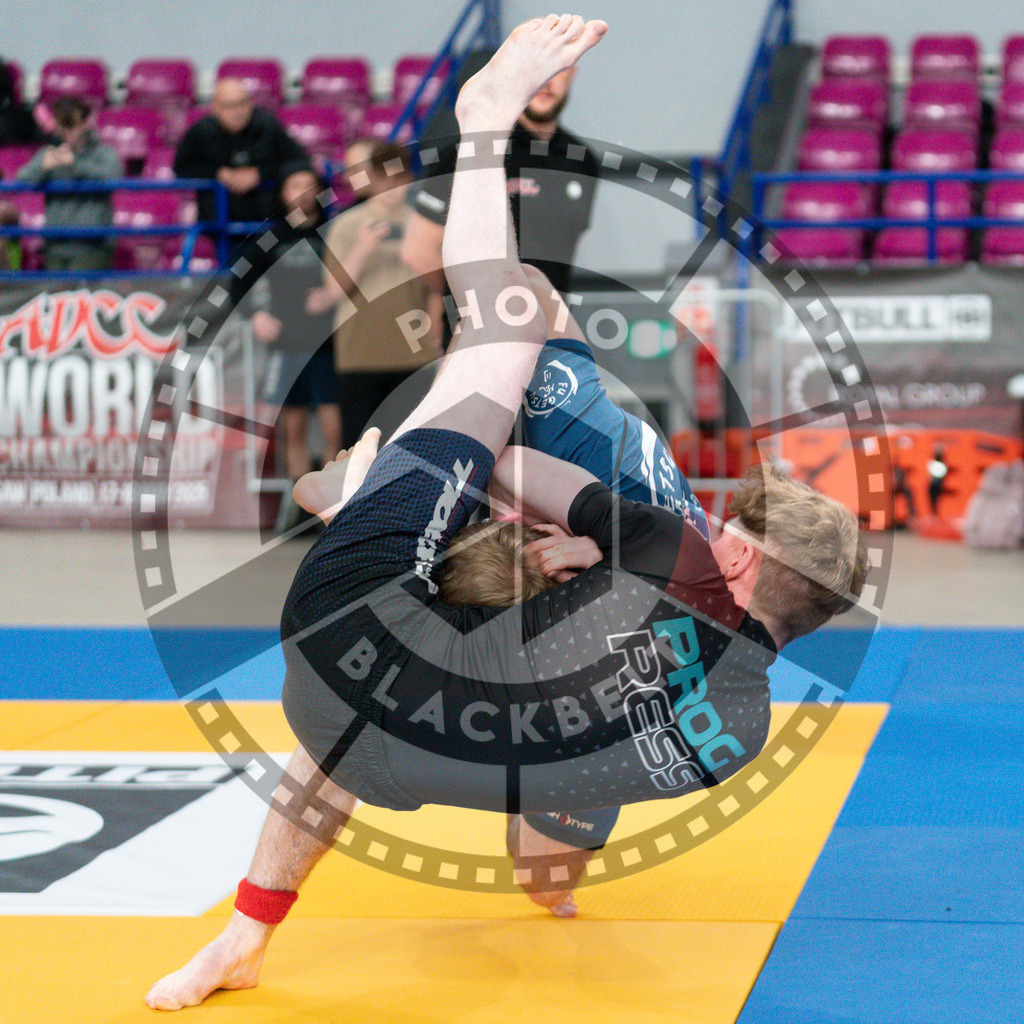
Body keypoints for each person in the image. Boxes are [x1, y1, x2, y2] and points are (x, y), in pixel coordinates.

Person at [146, 18, 864, 1009]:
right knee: (514, 304)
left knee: (509, 317)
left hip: (559, 492)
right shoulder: (745, 716)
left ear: (744, 563)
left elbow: (525, 467)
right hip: (566, 567)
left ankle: (399, 465)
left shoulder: (679, 550)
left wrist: (463, 482)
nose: (727, 525)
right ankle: (245, 932)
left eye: (739, 530)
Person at [401, 23, 601, 341]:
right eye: (537, 70)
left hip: (554, 335)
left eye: (557, 69)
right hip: (481, 334)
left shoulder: (583, 160)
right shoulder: (469, 151)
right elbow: (419, 251)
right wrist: (482, 304)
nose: (546, 82)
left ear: (572, 72)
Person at [230, 164, 342, 528]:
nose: (303, 192)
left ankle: (333, 505)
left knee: (333, 427)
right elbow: (238, 284)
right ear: (282, 192)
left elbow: (358, 278)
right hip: (287, 345)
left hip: (329, 344)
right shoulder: (269, 237)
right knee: (292, 426)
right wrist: (256, 315)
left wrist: (333, 295)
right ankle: (300, 509)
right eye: (295, 185)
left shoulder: (333, 232)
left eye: (310, 186)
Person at [314, 139, 442, 449]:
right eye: (384, 179)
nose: (392, 189)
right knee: (359, 452)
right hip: (359, 352)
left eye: (398, 179)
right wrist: (362, 248)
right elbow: (332, 291)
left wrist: (435, 333)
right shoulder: (346, 225)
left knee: (415, 450)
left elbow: (438, 287)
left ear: (409, 179)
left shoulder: (424, 224)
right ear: (371, 178)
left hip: (414, 354)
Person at [173, 78, 311, 231]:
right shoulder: (200, 131)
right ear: (215, 107)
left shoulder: (266, 124)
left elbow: (299, 161)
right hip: (218, 227)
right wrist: (219, 173)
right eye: (229, 106)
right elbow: (182, 168)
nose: (237, 111)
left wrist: (260, 174)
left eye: (243, 103)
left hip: (268, 223)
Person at [14, 95, 121, 273]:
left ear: (86, 123)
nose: (65, 132)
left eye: (71, 125)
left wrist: (76, 165)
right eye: (61, 125)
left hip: (91, 247)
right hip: (55, 246)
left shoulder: (103, 152)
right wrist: (43, 167)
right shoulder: (49, 153)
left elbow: (115, 177)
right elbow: (21, 179)